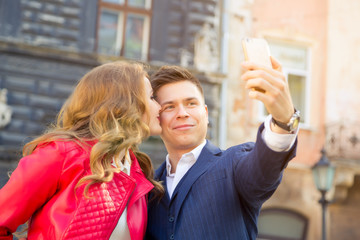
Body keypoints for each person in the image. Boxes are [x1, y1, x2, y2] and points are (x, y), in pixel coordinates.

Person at [0, 61, 163, 240]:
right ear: (125, 103)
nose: (160, 107)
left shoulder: (136, 170)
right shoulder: (61, 153)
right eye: (152, 97)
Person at [146, 57, 300, 240]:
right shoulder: (148, 188)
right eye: (169, 107)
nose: (182, 113)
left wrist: (283, 120)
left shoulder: (233, 164)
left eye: (191, 103)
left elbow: (262, 171)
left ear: (205, 113)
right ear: (157, 118)